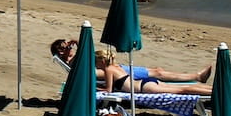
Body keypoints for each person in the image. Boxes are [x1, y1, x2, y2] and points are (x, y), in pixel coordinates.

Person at [50, 39, 213, 94]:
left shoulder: (95, 65)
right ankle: (207, 86)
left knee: (174, 84)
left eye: (67, 45)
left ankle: (201, 81)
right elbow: (91, 54)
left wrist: (106, 88)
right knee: (174, 84)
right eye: (63, 48)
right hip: (125, 76)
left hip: (128, 79)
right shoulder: (75, 63)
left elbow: (105, 70)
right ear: (59, 53)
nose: (67, 48)